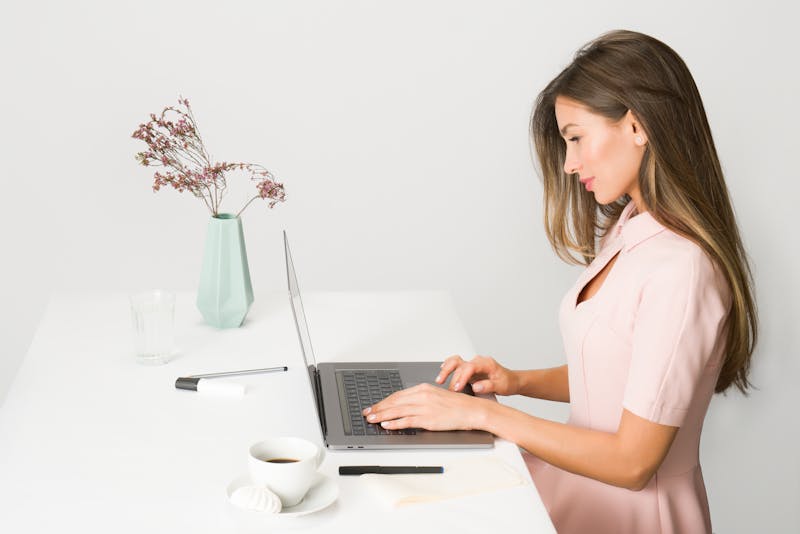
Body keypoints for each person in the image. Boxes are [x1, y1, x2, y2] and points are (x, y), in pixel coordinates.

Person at [363, 29, 757, 533]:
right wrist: (514, 381)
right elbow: (620, 375)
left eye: (575, 138)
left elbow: (633, 464)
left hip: (635, 515)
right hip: (576, 490)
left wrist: (487, 417)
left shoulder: (683, 269)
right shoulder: (630, 228)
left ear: (636, 125)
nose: (569, 164)